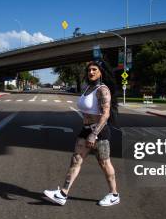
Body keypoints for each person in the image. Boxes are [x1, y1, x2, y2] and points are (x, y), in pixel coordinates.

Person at [43, 60, 120, 207]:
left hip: (99, 132)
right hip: (85, 130)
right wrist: (88, 131)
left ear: (100, 72)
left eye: (94, 70)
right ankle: (63, 193)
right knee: (76, 160)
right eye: (89, 70)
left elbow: (106, 114)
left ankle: (114, 194)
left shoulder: (102, 90)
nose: (91, 72)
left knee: (104, 163)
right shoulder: (87, 88)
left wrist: (94, 134)